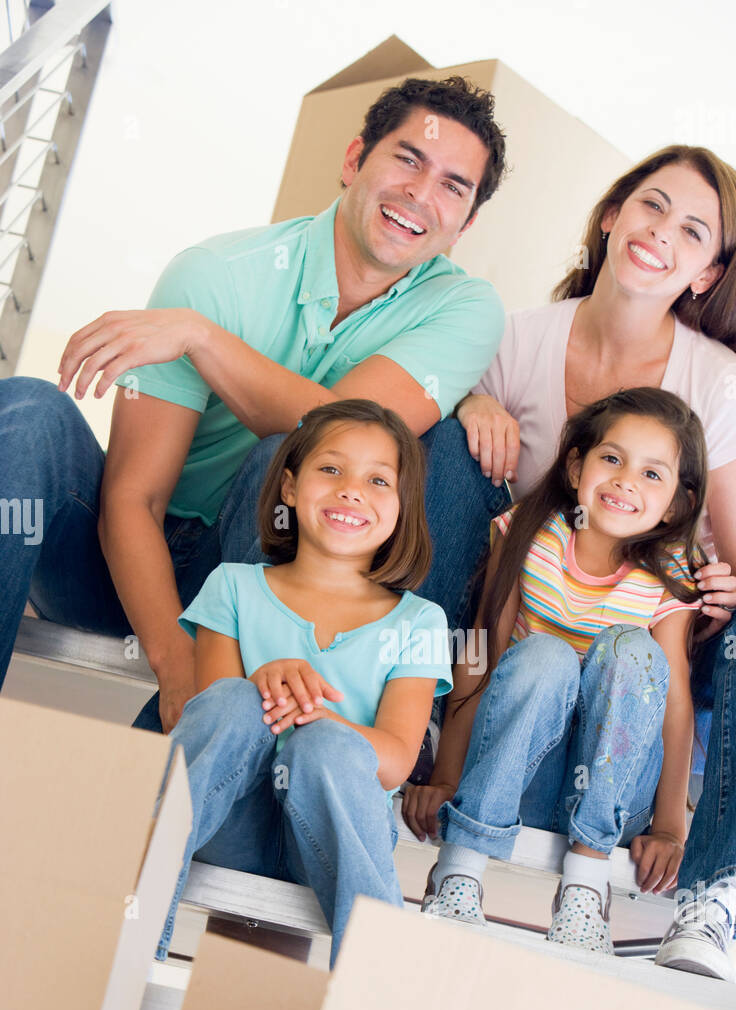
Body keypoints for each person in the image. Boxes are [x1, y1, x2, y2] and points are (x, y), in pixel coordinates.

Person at [414, 145, 736, 980]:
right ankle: (408, 726)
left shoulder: (720, 387)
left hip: (654, 633)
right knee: (443, 449)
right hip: (528, 631)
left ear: (708, 272)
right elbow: (489, 594)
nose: (659, 233)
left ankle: (715, 891)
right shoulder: (517, 339)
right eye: (650, 205)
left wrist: (706, 592)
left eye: (692, 230)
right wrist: (470, 398)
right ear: (610, 215)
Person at [0, 75, 505, 735]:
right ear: (355, 160)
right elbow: (133, 500)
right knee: (28, 410)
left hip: (266, 582)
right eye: (407, 159)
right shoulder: (217, 274)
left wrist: (200, 339)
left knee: (291, 456)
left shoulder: (465, 309)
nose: (420, 192)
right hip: (128, 560)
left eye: (452, 185)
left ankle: (245, 755)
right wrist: (178, 662)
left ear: (465, 223)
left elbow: (334, 435)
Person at [402, 388, 705, 955]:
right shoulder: (531, 533)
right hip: (518, 773)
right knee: (546, 656)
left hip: (613, 790)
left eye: (652, 474)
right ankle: (459, 870)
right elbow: (477, 648)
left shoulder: (669, 577)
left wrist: (669, 824)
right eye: (611, 459)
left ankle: (586, 890)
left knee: (630, 651)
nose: (626, 482)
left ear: (677, 505)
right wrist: (446, 774)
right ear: (575, 466)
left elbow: (677, 704)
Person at [158, 399, 452, 968]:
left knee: (327, 746)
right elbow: (213, 717)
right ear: (289, 488)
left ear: (401, 507)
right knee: (236, 699)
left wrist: (320, 716)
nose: (351, 491)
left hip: (330, 834)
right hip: (231, 822)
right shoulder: (235, 587)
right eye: (331, 470)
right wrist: (263, 679)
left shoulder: (420, 621)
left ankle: (376, 978)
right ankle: (133, 903)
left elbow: (392, 761)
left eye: (378, 480)